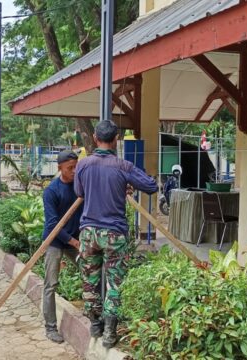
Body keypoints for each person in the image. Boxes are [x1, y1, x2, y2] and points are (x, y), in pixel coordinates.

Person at [74, 120, 158, 348]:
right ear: (117, 139)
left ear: (94, 138)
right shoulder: (123, 166)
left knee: (89, 281)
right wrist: (124, 185)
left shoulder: (83, 165)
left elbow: (79, 192)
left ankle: (94, 324)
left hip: (89, 233)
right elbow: (151, 186)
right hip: (114, 235)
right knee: (115, 283)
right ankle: (110, 332)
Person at [41, 150, 83, 343]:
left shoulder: (80, 186)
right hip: (56, 241)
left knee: (92, 272)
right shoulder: (51, 191)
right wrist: (74, 242)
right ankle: (50, 328)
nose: (74, 171)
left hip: (75, 239)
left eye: (76, 166)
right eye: (70, 168)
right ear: (60, 169)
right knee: (51, 284)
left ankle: (96, 315)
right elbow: (52, 225)